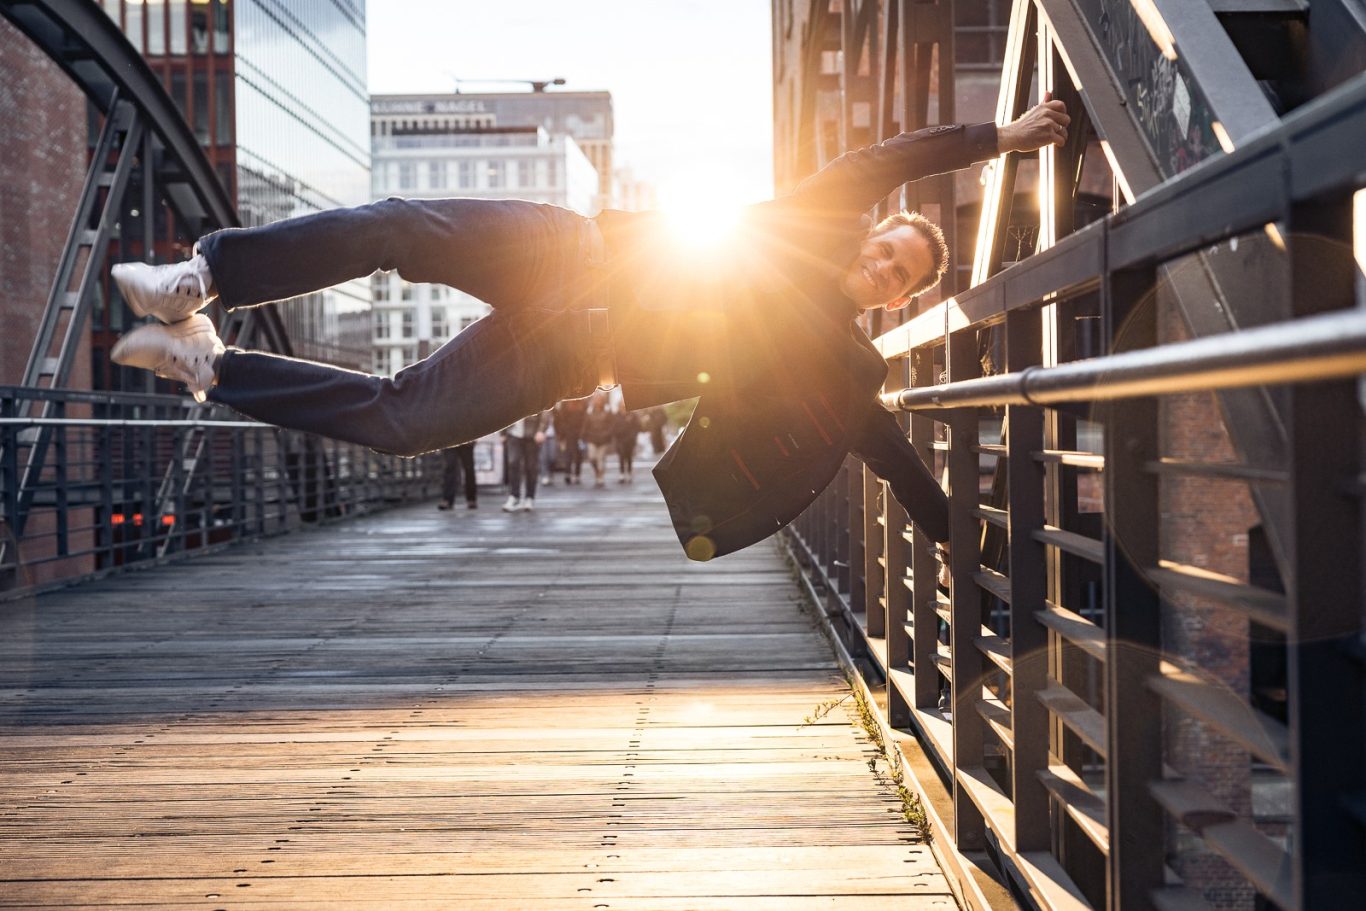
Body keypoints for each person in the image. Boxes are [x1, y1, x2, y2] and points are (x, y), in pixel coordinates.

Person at [108, 99, 1069, 561]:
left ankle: (208, 363)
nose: (881, 263)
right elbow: (877, 159)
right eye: (887, 246)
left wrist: (967, 543)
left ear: (898, 300)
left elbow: (889, 454)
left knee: (403, 421)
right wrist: (996, 141)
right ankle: (206, 274)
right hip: (576, 255)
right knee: (401, 227)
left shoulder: (841, 361)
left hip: (569, 352)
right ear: (872, 233)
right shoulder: (806, 221)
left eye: (898, 274)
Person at [502, 411, 548, 511]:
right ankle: (514, 496)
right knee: (513, 463)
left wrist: (541, 430)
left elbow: (545, 411)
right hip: (513, 432)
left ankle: (529, 497)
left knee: (531, 466)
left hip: (531, 434)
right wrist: (502, 431)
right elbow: (503, 409)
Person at [581, 391, 615, 489]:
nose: (598, 402)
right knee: (592, 458)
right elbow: (585, 425)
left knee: (600, 459)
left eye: (600, 400)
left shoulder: (607, 411)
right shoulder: (589, 411)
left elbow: (611, 425)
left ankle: (600, 477)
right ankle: (597, 472)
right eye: (596, 400)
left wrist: (608, 434)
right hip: (592, 438)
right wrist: (583, 436)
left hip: (603, 439)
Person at [438, 442, 477, 511]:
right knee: (449, 468)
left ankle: (471, 499)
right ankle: (447, 500)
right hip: (450, 438)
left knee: (469, 469)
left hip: (466, 437)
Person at [613, 402, 640, 483]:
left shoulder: (632, 415)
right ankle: (621, 474)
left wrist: (633, 436)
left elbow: (637, 427)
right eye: (621, 406)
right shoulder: (616, 415)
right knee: (621, 456)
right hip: (620, 439)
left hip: (630, 439)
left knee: (629, 457)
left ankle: (629, 472)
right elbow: (614, 427)